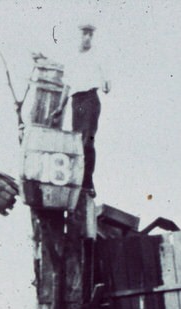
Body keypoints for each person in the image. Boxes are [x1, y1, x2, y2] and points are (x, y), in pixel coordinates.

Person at [67, 22, 109, 194]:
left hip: (90, 98)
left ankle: (87, 182)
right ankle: (77, 180)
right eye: (84, 34)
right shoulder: (73, 58)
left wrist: (106, 83)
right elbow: (66, 84)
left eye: (90, 35)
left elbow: (107, 80)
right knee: (76, 142)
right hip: (76, 101)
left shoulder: (97, 55)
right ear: (79, 35)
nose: (87, 38)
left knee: (87, 141)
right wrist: (59, 108)